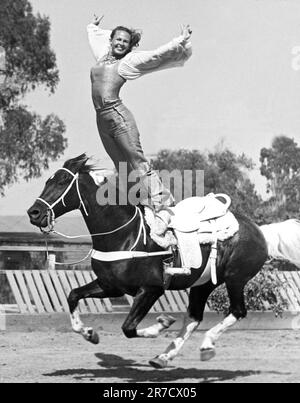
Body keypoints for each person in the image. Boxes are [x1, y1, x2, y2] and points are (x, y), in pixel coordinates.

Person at [87, 15, 192, 240]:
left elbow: (156, 55)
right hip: (101, 120)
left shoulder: (128, 62)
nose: (120, 44)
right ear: (111, 40)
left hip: (118, 117)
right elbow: (94, 39)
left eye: (125, 41)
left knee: (137, 161)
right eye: (118, 40)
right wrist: (93, 27)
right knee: (122, 166)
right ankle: (141, 206)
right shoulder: (101, 56)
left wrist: (179, 41)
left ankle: (163, 206)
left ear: (129, 45)